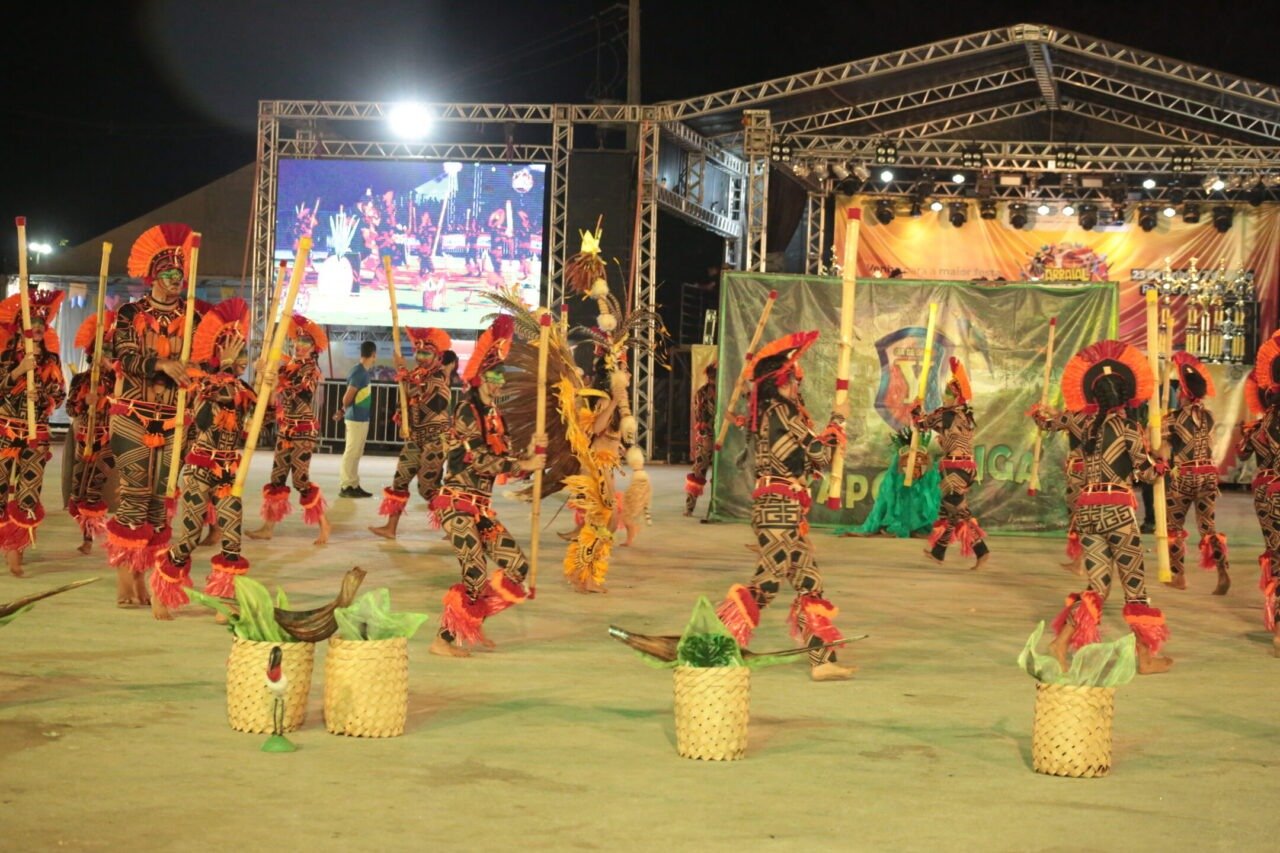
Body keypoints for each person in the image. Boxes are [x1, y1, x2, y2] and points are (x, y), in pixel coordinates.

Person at [713, 330, 857, 682]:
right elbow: (818, 451)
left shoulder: (777, 413)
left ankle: (822, 660)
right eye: (795, 375)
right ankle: (716, 646)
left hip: (786, 508)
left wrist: (830, 436)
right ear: (782, 378)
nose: (799, 382)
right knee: (768, 582)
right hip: (776, 505)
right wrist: (838, 420)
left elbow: (811, 462)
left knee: (809, 581)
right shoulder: (780, 410)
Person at [1046, 340, 1173, 675]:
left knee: (1098, 586)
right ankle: (1144, 659)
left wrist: (1042, 414)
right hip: (1117, 512)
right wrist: (1162, 464)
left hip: (1086, 511)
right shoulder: (1130, 429)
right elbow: (1145, 473)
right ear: (1125, 396)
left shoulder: (1082, 424)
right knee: (1136, 587)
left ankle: (1060, 644)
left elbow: (1049, 423)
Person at [429, 315, 544, 658]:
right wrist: (521, 463)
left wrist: (531, 455)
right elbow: (478, 460)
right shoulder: (466, 411)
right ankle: (443, 640)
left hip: (480, 509)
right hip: (455, 504)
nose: (497, 384)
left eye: (500, 378)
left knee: (519, 568)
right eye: (492, 377)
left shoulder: (496, 416)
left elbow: (505, 463)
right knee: (475, 570)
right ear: (479, 377)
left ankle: (471, 623)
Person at [105, 223, 202, 606]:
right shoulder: (130, 313)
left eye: (179, 274)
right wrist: (162, 363)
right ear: (154, 277)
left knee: (160, 502)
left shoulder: (194, 318)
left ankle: (146, 577)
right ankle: (125, 581)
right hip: (132, 413)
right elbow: (125, 357)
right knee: (134, 495)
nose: (175, 279)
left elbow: (207, 364)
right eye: (168, 274)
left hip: (173, 419)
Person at [151, 298, 256, 619]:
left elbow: (253, 425)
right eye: (236, 354)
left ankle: (223, 601)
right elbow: (204, 417)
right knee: (190, 535)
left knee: (232, 535)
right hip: (199, 467)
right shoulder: (199, 382)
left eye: (243, 356)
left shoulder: (244, 389)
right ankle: (161, 588)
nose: (241, 361)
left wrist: (268, 387)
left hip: (228, 470)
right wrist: (223, 370)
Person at [247, 315, 330, 545]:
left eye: (306, 342)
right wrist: (264, 374)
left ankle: (324, 525)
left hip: (303, 430)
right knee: (277, 479)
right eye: (298, 340)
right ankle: (268, 528)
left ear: (314, 348)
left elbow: (297, 393)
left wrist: (274, 378)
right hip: (286, 430)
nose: (300, 345)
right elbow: (275, 399)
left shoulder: (311, 369)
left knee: (300, 480)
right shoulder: (288, 367)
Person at [0, 291, 67, 577]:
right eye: (32, 322)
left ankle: (16, 552)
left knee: (28, 494)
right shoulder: (5, 355)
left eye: (43, 322)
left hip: (36, 434)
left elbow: (60, 395)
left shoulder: (52, 360)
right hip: (4, 430)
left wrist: (42, 397)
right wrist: (17, 373)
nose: (38, 328)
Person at [370, 327, 452, 540]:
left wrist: (407, 380)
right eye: (419, 352)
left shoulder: (438, 376)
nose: (421, 357)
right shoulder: (414, 375)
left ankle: (455, 527)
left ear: (436, 356)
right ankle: (390, 528)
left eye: (426, 353)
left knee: (428, 488)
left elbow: (431, 405)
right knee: (400, 480)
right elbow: (406, 403)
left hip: (435, 439)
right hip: (416, 438)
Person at [914, 357, 990, 570]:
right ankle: (939, 552)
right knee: (948, 511)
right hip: (966, 468)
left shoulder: (946, 415)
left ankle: (982, 551)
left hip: (955, 469)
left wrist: (915, 410)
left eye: (947, 393)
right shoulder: (965, 415)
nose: (944, 397)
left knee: (959, 510)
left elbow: (921, 425)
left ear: (956, 396)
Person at [1163, 352, 1228, 594]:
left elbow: (1160, 450)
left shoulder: (1174, 419)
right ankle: (1222, 569)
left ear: (1184, 392)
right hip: (1208, 475)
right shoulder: (1209, 416)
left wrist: (1156, 430)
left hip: (1184, 478)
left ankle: (1178, 576)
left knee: (1174, 526)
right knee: (1208, 527)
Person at [1237, 334, 1280, 654]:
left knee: (1276, 555)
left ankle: (1277, 625)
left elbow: (1240, 455)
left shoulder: (1259, 426)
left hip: (1264, 493)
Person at [66, 309, 117, 554]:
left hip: (109, 441)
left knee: (95, 487)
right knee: (79, 491)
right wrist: (84, 401)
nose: (104, 358)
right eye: (100, 352)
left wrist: (105, 398)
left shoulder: (120, 380)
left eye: (108, 353)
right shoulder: (79, 380)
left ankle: (90, 540)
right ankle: (87, 533)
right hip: (83, 440)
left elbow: (126, 405)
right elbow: (69, 409)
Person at [834, 427, 941, 539]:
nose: (913, 465)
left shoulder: (929, 485)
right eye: (908, 461)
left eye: (919, 460)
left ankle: (917, 527)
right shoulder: (892, 485)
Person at [1030, 403, 1091, 575]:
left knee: (1077, 516)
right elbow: (1063, 419)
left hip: (1079, 471)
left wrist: (1036, 414)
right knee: (1087, 516)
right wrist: (1056, 413)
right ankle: (1082, 561)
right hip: (1099, 472)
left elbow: (1047, 425)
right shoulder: (1101, 415)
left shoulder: (1073, 415)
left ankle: (1079, 563)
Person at [337, 341, 376, 497]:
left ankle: (353, 483)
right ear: (373, 355)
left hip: (361, 418)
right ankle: (346, 486)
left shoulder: (362, 372)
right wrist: (342, 409)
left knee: (356, 452)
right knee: (351, 451)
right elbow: (347, 397)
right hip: (355, 419)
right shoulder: (359, 372)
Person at [684, 362, 717, 516]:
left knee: (723, 472)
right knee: (698, 472)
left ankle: (719, 506)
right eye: (712, 377)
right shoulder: (702, 393)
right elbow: (700, 418)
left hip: (723, 436)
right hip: (707, 436)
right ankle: (689, 507)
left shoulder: (725, 392)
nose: (713, 380)